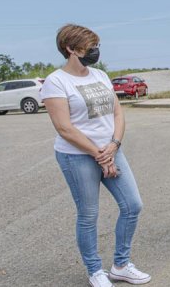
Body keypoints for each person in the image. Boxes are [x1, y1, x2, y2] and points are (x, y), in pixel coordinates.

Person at [40, 24, 151, 287]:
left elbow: (117, 113)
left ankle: (121, 265)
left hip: (111, 150)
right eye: (90, 47)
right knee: (89, 214)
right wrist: (99, 155)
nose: (95, 51)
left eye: (96, 45)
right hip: (77, 156)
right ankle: (95, 271)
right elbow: (64, 127)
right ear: (70, 48)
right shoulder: (57, 81)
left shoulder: (100, 75)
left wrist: (113, 145)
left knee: (132, 205)